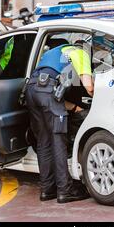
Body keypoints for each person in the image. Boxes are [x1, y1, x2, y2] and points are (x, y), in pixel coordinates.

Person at [25, 40, 93, 204]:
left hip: (32, 90)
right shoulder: (81, 53)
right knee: (58, 140)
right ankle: (65, 190)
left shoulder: (55, 52)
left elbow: (53, 96)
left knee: (44, 141)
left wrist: (74, 107)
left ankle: (47, 189)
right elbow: (89, 86)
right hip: (48, 90)